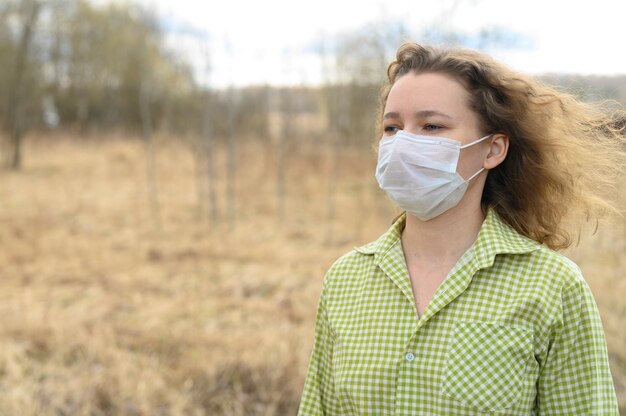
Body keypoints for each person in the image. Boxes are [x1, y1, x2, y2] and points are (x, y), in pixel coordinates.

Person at [297, 42, 624, 415]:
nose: (404, 143)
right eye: (393, 127)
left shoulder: (551, 286)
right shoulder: (345, 280)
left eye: (431, 126)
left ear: (493, 149)